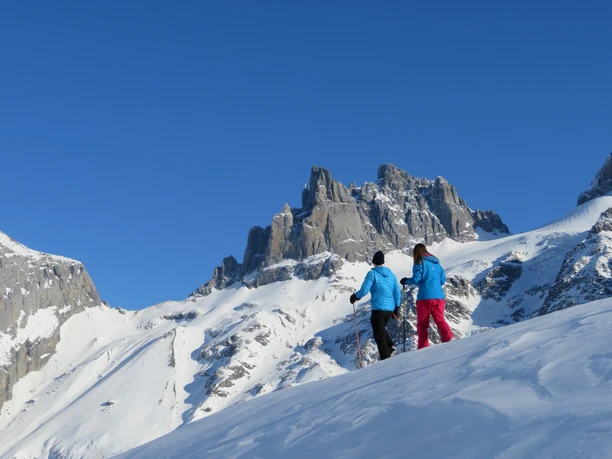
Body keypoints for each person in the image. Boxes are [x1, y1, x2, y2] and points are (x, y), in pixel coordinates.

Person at [400, 243, 454, 349]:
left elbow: (416, 279)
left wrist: (406, 281)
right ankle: (449, 338)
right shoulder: (437, 264)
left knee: (422, 323)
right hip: (439, 297)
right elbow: (443, 280)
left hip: (424, 297)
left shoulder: (419, 262)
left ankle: (423, 346)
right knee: (440, 319)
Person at [350, 250, 401, 360]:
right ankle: (391, 346)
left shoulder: (372, 274)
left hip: (378, 309)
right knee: (380, 330)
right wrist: (396, 307)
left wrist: (355, 297)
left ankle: (386, 359)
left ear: (374, 262)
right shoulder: (391, 275)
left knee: (379, 335)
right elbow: (397, 292)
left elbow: (364, 290)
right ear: (383, 262)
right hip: (390, 310)